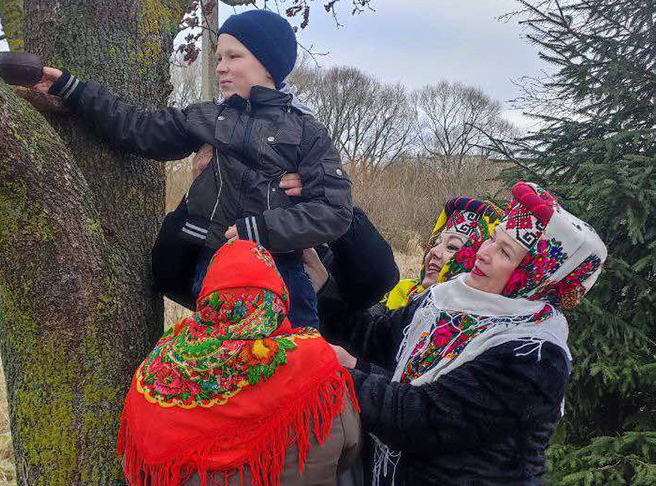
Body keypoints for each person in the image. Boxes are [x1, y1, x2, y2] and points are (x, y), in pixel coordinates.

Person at [30, 10, 353, 327]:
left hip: (283, 278)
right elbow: (139, 128)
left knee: (290, 372)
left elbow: (334, 212)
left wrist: (259, 231)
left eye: (233, 56)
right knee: (219, 373)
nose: (222, 68)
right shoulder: (207, 117)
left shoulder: (307, 132)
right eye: (219, 58)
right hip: (213, 273)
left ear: (268, 64)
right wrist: (73, 89)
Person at [317, 181, 607, 485]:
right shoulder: (447, 300)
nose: (483, 253)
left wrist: (343, 372)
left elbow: (424, 417)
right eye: (493, 239)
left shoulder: (534, 354)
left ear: (535, 277)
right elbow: (374, 338)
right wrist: (320, 288)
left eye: (504, 252)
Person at [118, 240, 360, 486]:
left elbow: (135, 467)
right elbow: (350, 447)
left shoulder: (158, 369)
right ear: (277, 300)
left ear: (208, 300)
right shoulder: (316, 363)